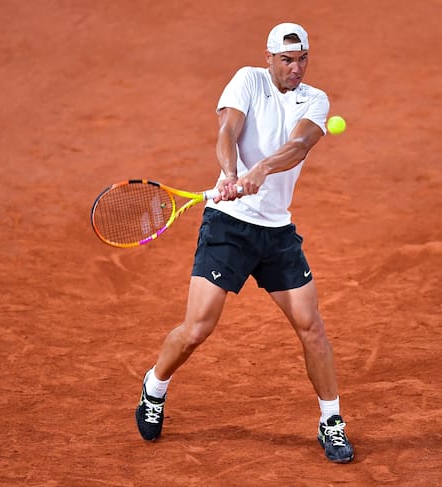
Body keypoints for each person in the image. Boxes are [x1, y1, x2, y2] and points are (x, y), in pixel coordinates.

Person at [135, 22, 354, 464]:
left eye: (303, 59)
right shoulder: (248, 80)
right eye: (287, 60)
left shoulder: (315, 100)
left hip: (277, 234)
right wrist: (232, 174)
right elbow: (227, 132)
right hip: (228, 227)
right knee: (197, 329)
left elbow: (299, 145)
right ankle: (154, 386)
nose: (296, 68)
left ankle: (331, 421)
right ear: (268, 58)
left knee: (312, 328)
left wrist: (261, 171)